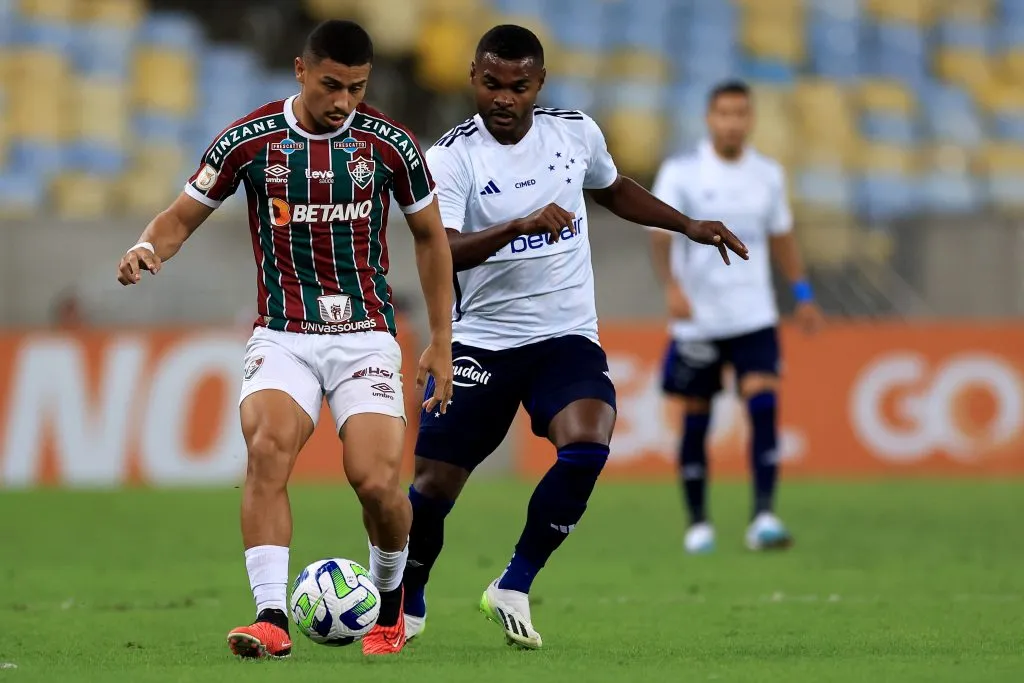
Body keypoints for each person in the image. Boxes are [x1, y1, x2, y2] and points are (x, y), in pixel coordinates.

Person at [400, 25, 747, 649]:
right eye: (491, 84)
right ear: (474, 79)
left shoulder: (574, 133)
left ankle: (513, 583)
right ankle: (411, 597)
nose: (503, 98)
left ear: (539, 85)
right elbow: (443, 251)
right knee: (432, 488)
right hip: (481, 338)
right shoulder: (450, 157)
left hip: (564, 333)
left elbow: (613, 189)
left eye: (518, 86)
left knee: (588, 444)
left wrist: (687, 224)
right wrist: (521, 224)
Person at [115, 20, 454, 657]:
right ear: (300, 71)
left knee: (377, 483)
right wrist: (145, 247)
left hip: (366, 335)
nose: (343, 103)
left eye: (356, 89)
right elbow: (181, 215)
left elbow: (432, 238)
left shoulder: (390, 146)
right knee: (268, 450)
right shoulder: (250, 141)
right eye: (331, 86)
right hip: (283, 334)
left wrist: (442, 337)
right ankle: (271, 617)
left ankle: (388, 606)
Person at [648, 80, 824, 555]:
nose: (732, 122)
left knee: (763, 401)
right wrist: (672, 287)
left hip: (754, 313)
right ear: (710, 118)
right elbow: (661, 238)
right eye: (723, 113)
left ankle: (764, 515)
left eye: (740, 113)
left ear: (751, 119)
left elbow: (783, 237)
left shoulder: (767, 174)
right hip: (699, 318)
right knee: (696, 416)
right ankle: (698, 523)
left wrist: (802, 294)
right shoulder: (681, 172)